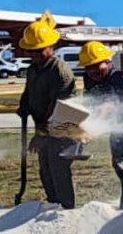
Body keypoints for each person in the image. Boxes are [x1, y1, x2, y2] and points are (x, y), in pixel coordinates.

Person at [16, 11, 78, 208]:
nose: (34, 55)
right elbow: (29, 91)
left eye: (38, 50)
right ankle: (53, 205)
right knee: (45, 170)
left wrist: (41, 133)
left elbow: (57, 108)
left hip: (62, 127)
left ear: (51, 47)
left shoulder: (59, 71)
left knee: (58, 169)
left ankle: (66, 209)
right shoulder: (33, 68)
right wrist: (24, 106)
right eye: (31, 51)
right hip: (43, 126)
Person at [81, 41, 123, 209]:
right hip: (118, 127)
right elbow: (91, 102)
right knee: (118, 163)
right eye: (89, 67)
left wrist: (94, 128)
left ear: (108, 63)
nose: (93, 71)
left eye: (98, 66)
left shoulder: (117, 78)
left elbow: (109, 105)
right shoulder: (88, 79)